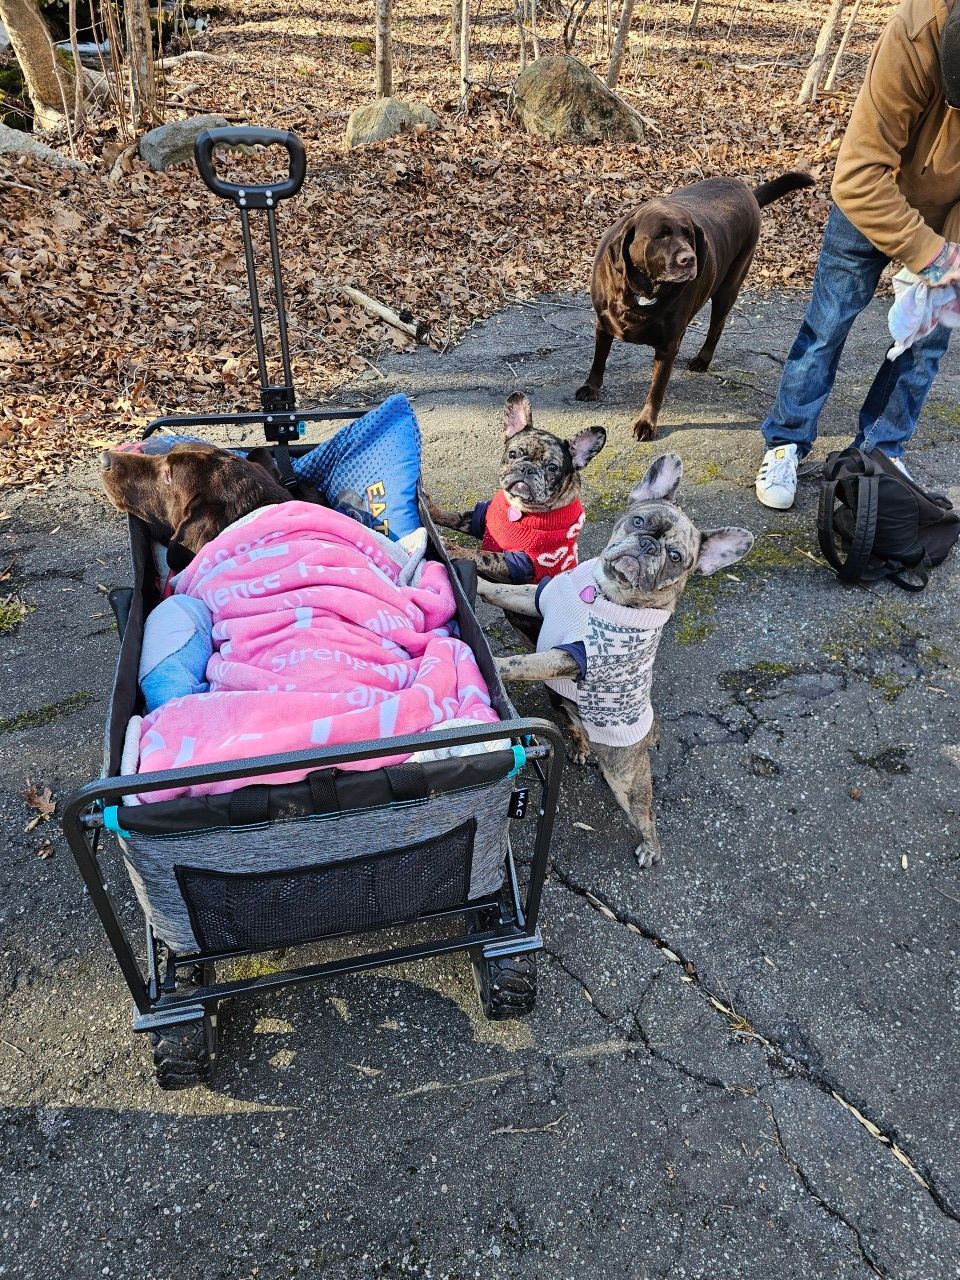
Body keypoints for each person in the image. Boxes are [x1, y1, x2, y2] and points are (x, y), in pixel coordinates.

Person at [755, 0, 960, 510]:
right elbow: (857, 176)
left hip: (948, 212)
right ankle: (786, 439)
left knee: (926, 344)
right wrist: (928, 254)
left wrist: (951, 255)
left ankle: (880, 450)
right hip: (873, 194)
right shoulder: (914, 34)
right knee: (828, 324)